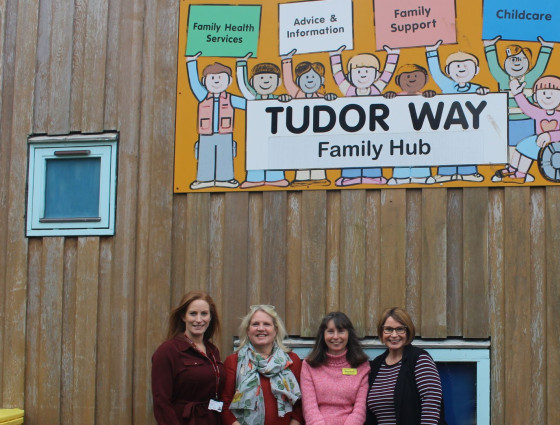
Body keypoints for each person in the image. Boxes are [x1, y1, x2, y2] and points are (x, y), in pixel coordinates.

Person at [329, 44, 400, 187]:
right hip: (351, 134)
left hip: (372, 133)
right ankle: (349, 176)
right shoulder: (348, 90)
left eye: (367, 71)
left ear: (376, 75)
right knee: (350, 153)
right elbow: (338, 76)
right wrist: (335, 55)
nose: (363, 74)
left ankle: (374, 176)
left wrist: (393, 55)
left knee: (374, 152)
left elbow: (387, 75)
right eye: (358, 71)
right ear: (350, 75)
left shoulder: (375, 89)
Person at [222, 305, 303, 425]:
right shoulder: (234, 361)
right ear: (247, 330)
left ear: (275, 330)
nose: (261, 328)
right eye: (255, 324)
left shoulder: (291, 361)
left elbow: (300, 404)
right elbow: (225, 404)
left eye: (266, 324)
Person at [151, 291, 224, 425]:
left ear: (210, 317)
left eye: (204, 314)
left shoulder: (213, 351)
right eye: (193, 313)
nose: (198, 320)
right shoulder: (168, 351)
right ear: (183, 317)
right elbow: (161, 401)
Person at [366, 307, 446, 425]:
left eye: (400, 329)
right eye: (388, 329)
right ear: (381, 332)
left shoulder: (419, 359)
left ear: (408, 331)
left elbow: (431, 402)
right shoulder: (376, 365)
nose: (394, 335)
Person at [426, 40, 489, 183]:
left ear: (476, 70)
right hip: (448, 126)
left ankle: (469, 172)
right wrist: (431, 51)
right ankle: (445, 172)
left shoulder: (476, 88)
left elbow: (486, 100)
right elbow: (436, 72)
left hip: (469, 128)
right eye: (457, 66)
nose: (462, 69)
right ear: (448, 71)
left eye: (467, 65)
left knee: (469, 148)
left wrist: (483, 92)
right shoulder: (447, 85)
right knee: (446, 148)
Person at [186, 52, 247, 190]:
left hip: (225, 132)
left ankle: (226, 178)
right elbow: (194, 83)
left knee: (225, 154)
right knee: (205, 154)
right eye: (212, 77)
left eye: (220, 77)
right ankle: (203, 179)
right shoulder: (203, 95)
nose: (216, 81)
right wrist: (191, 62)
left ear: (229, 81)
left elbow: (248, 104)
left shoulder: (230, 98)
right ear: (205, 81)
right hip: (205, 132)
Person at [300, 312, 370, 425]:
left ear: (349, 334)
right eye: (330, 331)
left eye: (341, 331)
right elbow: (309, 407)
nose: (336, 337)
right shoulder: (309, 365)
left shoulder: (361, 366)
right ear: (323, 335)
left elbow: (360, 409)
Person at [492, 76, 560, 184]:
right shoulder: (539, 113)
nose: (548, 96)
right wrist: (518, 94)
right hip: (540, 142)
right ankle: (512, 169)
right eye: (543, 93)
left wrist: (550, 135)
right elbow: (526, 107)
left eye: (553, 93)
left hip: (553, 147)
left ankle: (521, 174)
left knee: (527, 151)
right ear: (535, 97)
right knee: (521, 146)